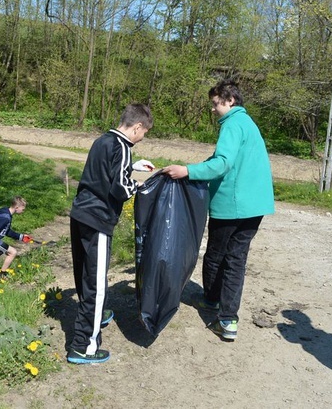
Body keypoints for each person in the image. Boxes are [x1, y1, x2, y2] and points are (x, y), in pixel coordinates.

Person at [162, 79, 274, 341]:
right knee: (237, 259)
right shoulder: (247, 123)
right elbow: (220, 160)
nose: (212, 109)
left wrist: (187, 171)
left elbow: (223, 163)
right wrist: (195, 167)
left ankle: (213, 303)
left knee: (216, 255)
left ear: (230, 100)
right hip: (254, 205)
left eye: (215, 103)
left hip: (232, 205)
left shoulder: (233, 125)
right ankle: (229, 320)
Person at [67, 103, 155, 364]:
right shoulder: (123, 147)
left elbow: (104, 172)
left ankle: (96, 314)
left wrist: (132, 166)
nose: (142, 138)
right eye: (144, 133)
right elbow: (120, 188)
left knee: (84, 275)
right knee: (97, 285)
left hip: (80, 214)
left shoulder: (102, 140)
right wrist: (141, 186)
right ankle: (85, 346)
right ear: (137, 127)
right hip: (99, 220)